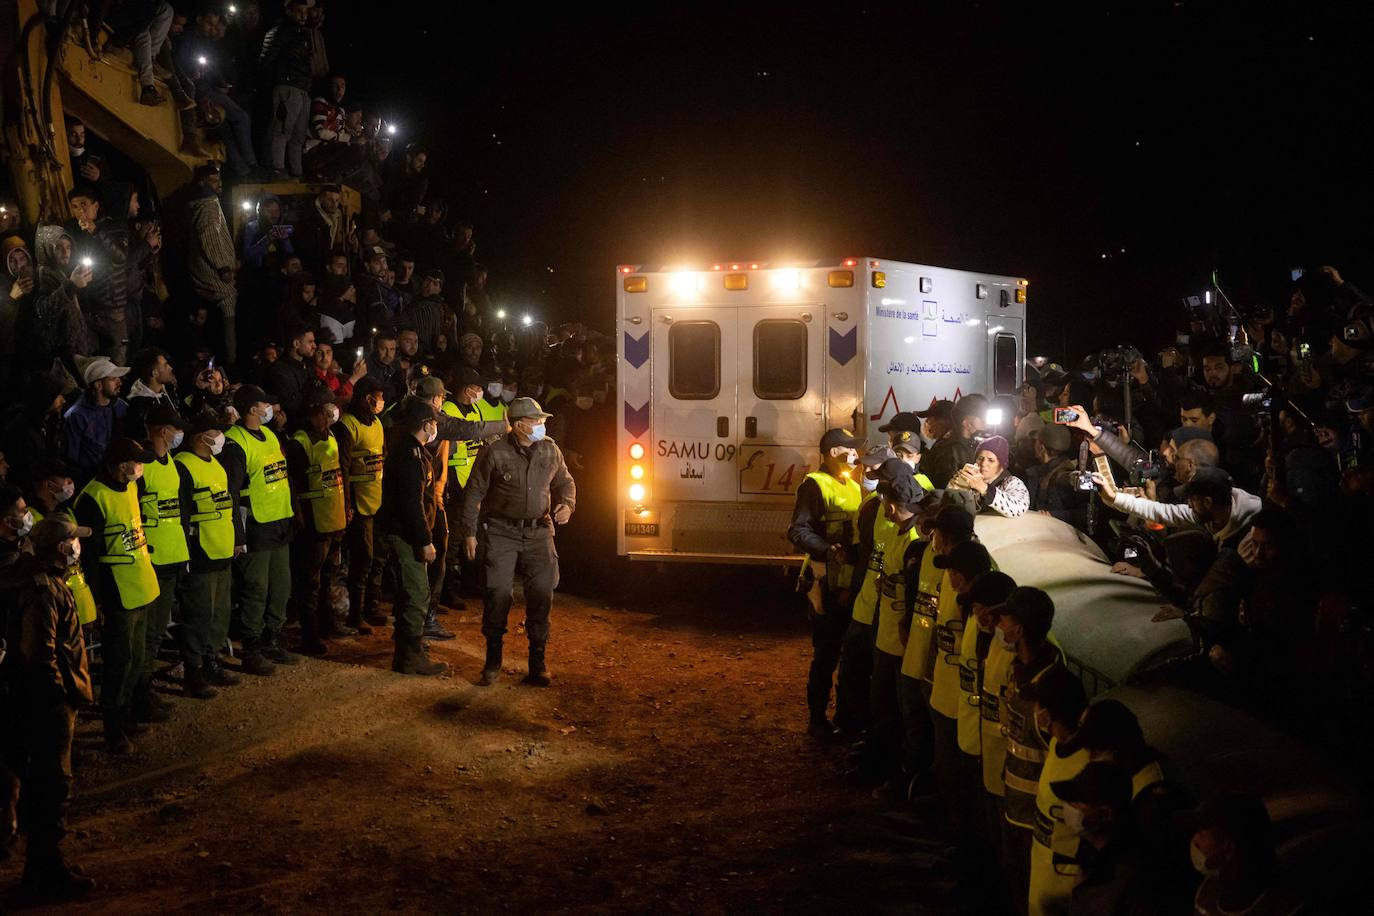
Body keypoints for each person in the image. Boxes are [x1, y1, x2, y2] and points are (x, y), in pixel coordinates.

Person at [1, 513, 96, 900]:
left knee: (37, 785)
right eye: (74, 540)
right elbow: (41, 653)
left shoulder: (29, 579)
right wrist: (61, 698)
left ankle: (42, 867)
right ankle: (45, 872)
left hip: (28, 699)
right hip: (46, 705)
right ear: (61, 548)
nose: (78, 545)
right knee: (51, 787)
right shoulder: (44, 590)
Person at [461, 397, 575, 687]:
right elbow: (474, 492)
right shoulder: (494, 452)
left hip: (539, 533)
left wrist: (568, 504)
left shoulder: (550, 449)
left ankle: (537, 663)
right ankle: (493, 660)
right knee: (498, 593)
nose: (542, 425)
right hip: (502, 532)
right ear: (520, 425)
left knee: (541, 594)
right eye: (536, 421)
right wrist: (470, 532)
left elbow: (565, 482)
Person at [73, 439, 162, 754]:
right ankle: (113, 727)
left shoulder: (131, 488)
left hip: (142, 587)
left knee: (136, 658)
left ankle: (128, 714)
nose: (140, 467)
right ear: (119, 463)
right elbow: (90, 558)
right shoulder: (93, 498)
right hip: (118, 594)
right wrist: (97, 601)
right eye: (135, 461)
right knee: (119, 662)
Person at [786, 428, 863, 739]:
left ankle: (846, 719)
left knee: (851, 654)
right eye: (851, 450)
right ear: (835, 453)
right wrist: (827, 549)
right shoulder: (814, 485)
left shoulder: (854, 486)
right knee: (827, 653)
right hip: (824, 583)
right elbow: (797, 530)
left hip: (850, 583)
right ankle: (817, 719)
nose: (856, 456)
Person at [994, 585, 1067, 907]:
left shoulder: (1050, 691)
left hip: (1034, 821)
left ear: (1019, 630)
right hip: (1014, 804)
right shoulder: (1019, 671)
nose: (999, 625)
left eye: (1005, 620)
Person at [221, 385, 296, 674]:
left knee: (281, 586)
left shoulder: (271, 436)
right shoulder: (235, 443)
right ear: (253, 409)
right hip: (255, 525)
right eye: (266, 404)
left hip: (278, 522)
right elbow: (232, 493)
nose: (271, 409)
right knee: (256, 588)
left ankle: (272, 639)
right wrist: (238, 535)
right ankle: (251, 648)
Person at [923, 538, 995, 818]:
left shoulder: (986, 616)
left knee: (969, 787)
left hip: (973, 722)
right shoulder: (969, 604)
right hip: (958, 708)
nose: (950, 577)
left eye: (953, 571)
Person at [377, 398, 448, 675]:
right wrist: (424, 540)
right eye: (433, 423)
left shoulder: (411, 451)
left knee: (410, 592)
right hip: (405, 534)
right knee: (417, 593)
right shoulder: (409, 455)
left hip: (404, 532)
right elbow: (411, 503)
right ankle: (410, 656)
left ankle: (407, 651)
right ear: (425, 425)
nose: (435, 428)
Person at [174, 413, 240, 695]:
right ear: (202, 436)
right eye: (217, 431)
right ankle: (194, 669)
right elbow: (183, 514)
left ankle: (212, 659)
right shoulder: (184, 466)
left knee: (220, 611)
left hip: (222, 548)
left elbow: (227, 504)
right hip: (201, 552)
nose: (221, 437)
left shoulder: (216, 464)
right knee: (199, 613)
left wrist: (237, 539)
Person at [834, 445, 896, 738]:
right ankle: (850, 726)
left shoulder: (886, 506)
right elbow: (862, 553)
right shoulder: (872, 503)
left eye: (874, 469)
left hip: (879, 605)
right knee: (854, 666)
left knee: (867, 670)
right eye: (865, 468)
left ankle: (860, 730)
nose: (866, 473)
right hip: (866, 601)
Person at [286, 389, 353, 655]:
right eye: (324, 412)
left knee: (329, 576)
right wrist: (301, 518)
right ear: (312, 413)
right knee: (309, 583)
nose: (329, 417)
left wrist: (346, 505)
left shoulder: (332, 436)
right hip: (314, 524)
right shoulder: (299, 442)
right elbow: (295, 486)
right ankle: (310, 636)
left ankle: (328, 624)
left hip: (333, 519)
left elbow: (340, 474)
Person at [1050, 763, 1165, 916]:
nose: (1068, 807)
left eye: (1076, 803)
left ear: (1105, 814)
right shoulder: (1091, 854)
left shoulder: (1129, 877)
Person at [134, 404, 191, 712]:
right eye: (173, 427)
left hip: (171, 556)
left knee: (155, 633)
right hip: (151, 560)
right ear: (161, 430)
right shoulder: (141, 466)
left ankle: (144, 691)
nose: (178, 433)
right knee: (147, 633)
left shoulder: (171, 463)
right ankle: (139, 694)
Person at [1026, 665, 1091, 916]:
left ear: (1049, 714)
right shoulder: (1055, 744)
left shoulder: (1087, 763)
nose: (1035, 711)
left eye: (1038, 705)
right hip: (1043, 883)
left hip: (1065, 896)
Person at [1188, 793, 1303, 916]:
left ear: (1228, 849)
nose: (1194, 840)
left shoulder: (1281, 906)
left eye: (1201, 833)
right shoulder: (1209, 893)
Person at [336, 378, 387, 632]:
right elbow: (343, 469)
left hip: (376, 499)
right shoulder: (347, 425)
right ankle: (355, 614)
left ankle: (372, 605)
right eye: (378, 396)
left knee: (377, 557)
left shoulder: (377, 422)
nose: (380, 402)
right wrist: (346, 504)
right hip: (358, 503)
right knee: (362, 559)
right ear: (367, 398)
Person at [25, 460, 98, 629]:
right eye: (64, 478)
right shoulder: (31, 519)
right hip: (54, 605)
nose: (69, 482)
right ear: (48, 484)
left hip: (80, 601)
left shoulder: (67, 512)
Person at [184, 164, 238, 363]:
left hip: (202, 269)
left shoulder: (202, 203)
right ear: (202, 182)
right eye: (214, 181)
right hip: (213, 271)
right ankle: (229, 360)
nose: (219, 185)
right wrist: (223, 266)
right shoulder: (208, 206)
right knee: (228, 304)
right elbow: (210, 236)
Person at [259, 0, 314, 178]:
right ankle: (277, 168)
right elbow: (267, 58)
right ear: (289, 11)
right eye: (299, 11)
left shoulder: (301, 34)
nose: (303, 15)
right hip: (287, 86)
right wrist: (274, 81)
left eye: (305, 12)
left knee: (298, 135)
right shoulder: (281, 31)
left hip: (301, 88)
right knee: (282, 130)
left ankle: (296, 172)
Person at [62, 356, 131, 484]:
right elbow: (71, 458)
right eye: (113, 379)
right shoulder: (77, 415)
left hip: (116, 476)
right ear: (98, 385)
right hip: (91, 480)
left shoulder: (119, 406)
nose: (119, 383)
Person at [949, 434, 1030, 517]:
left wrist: (984, 488)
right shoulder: (968, 479)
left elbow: (1019, 507)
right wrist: (954, 489)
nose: (983, 463)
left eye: (991, 460)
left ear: (1002, 465)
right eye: (980, 458)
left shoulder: (1012, 482)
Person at [265, 322, 318, 425]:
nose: (314, 346)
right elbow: (291, 406)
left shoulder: (308, 366)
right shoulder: (279, 371)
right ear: (296, 344)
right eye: (310, 342)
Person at [123, 346, 181, 440]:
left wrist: (199, 390)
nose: (170, 368)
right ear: (155, 373)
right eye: (165, 365)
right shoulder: (139, 407)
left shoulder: (168, 390)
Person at [920, 399, 978, 489]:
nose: (927, 423)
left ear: (944, 421)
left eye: (930, 419)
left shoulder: (950, 448)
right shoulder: (946, 443)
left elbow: (943, 483)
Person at [399, 268, 449, 355]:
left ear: (440, 289)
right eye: (428, 280)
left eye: (435, 284)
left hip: (421, 353)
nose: (429, 286)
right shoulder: (414, 301)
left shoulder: (429, 308)